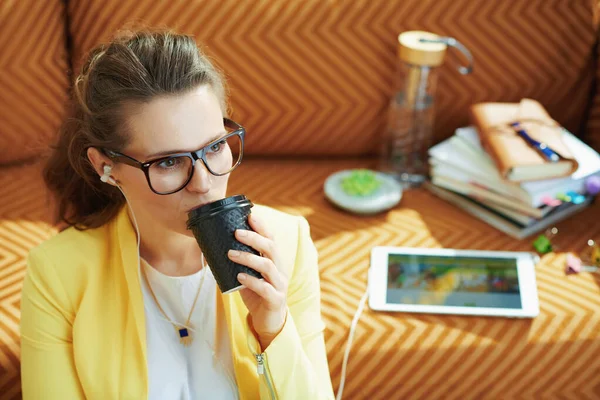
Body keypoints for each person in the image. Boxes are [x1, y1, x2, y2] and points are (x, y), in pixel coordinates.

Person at [19, 29, 335, 400]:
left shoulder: (287, 242)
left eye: (215, 147)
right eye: (168, 161)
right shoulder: (57, 273)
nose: (203, 182)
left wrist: (273, 330)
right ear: (107, 167)